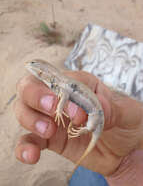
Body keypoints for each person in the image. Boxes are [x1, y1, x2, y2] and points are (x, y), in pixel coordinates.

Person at [14, 70, 143, 186]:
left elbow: (64, 96)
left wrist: (61, 111)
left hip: (102, 143)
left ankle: (85, 130)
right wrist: (124, 167)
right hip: (118, 158)